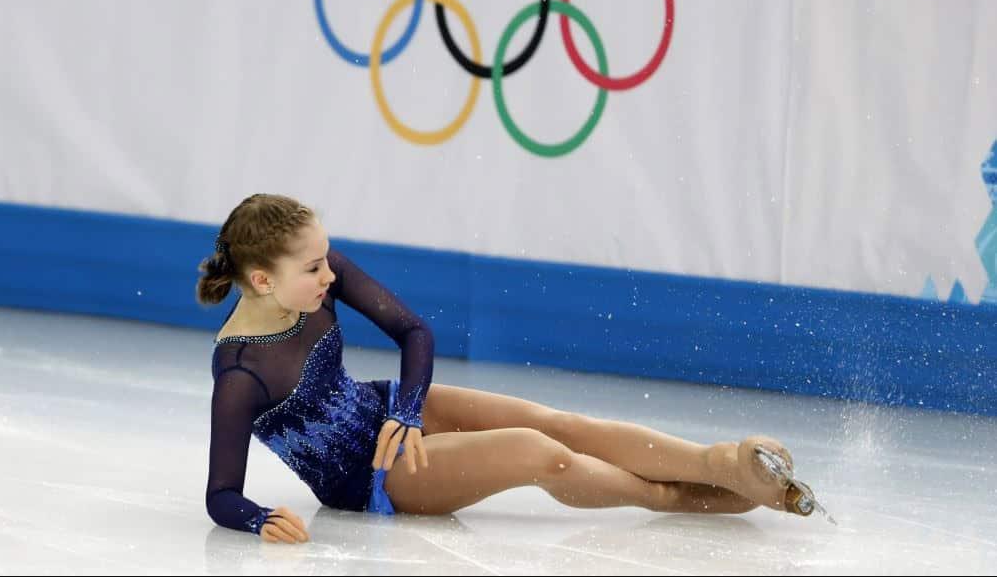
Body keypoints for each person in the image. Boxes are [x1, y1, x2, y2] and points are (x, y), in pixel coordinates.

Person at [199, 194, 828, 544]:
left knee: (554, 422)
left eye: (323, 259)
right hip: (371, 477)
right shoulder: (240, 376)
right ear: (262, 280)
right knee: (537, 452)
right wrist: (256, 519)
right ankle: (675, 496)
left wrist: (406, 408)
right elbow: (221, 493)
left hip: (391, 410)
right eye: (312, 269)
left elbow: (414, 330)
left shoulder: (312, 275)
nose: (329, 274)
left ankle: (714, 464)